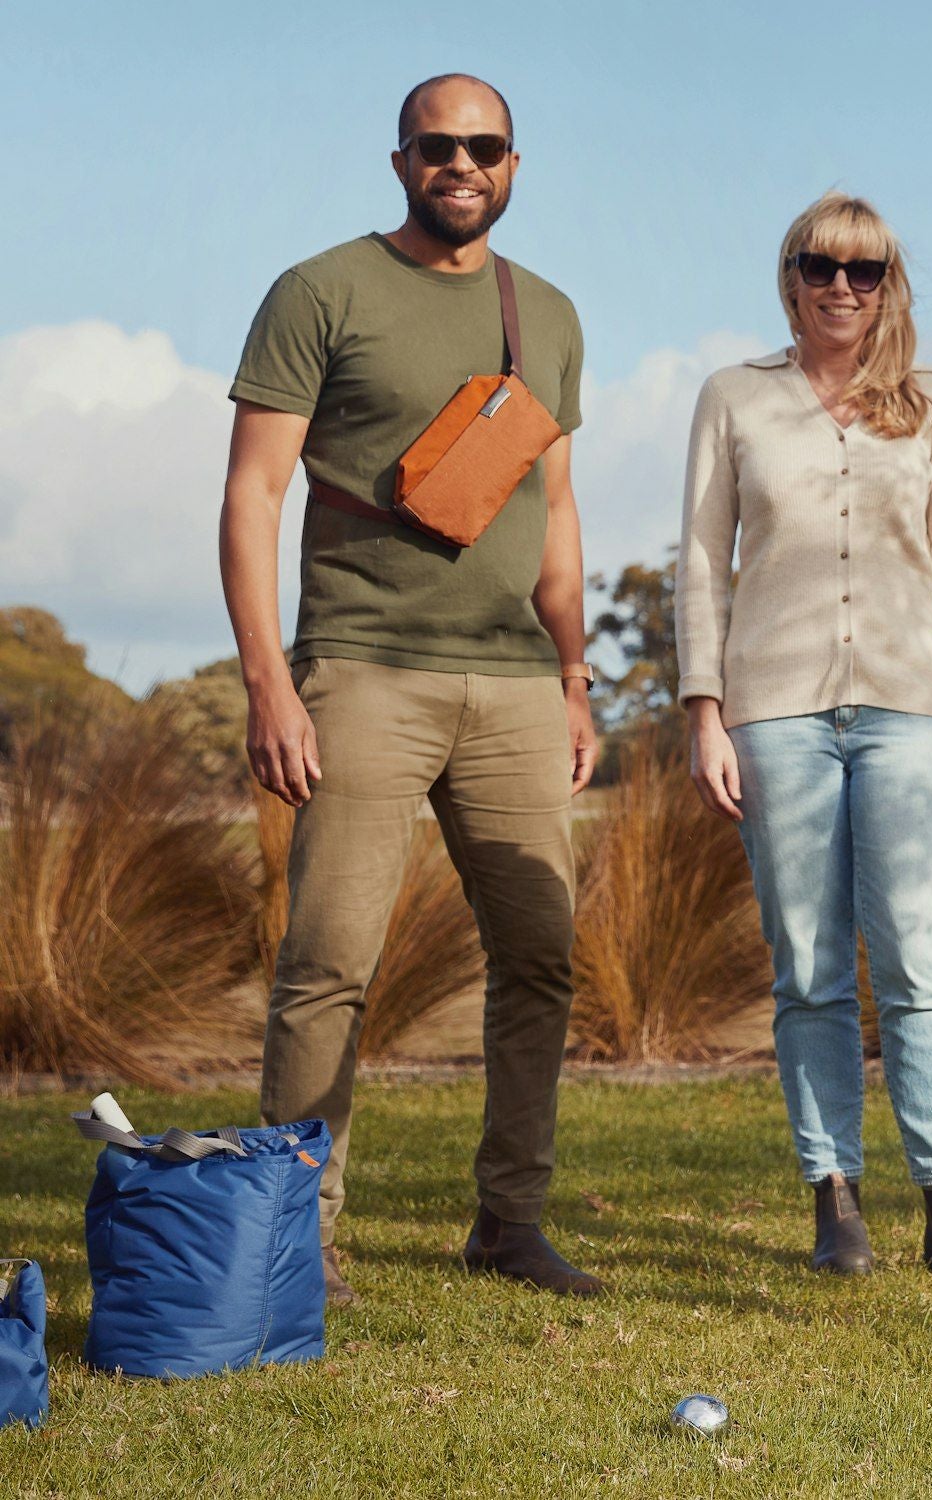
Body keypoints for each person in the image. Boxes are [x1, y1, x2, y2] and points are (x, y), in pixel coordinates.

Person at [220, 74, 602, 1304]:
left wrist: (575, 673)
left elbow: (555, 510)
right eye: (438, 146)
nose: (461, 163)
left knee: (541, 960)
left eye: (483, 147)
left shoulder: (544, 313)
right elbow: (252, 498)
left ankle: (510, 1224)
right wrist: (270, 684)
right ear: (399, 160)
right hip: (362, 670)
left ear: (513, 163)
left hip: (514, 687)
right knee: (329, 961)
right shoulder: (319, 291)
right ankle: (299, 1231)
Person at [676, 192, 932, 1276]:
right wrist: (704, 713)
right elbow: (698, 559)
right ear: (789, 279)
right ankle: (835, 1202)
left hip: (910, 709)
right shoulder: (734, 396)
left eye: (863, 270)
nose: (840, 285)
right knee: (813, 966)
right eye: (819, 266)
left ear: (888, 286)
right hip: (772, 714)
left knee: (924, 954)